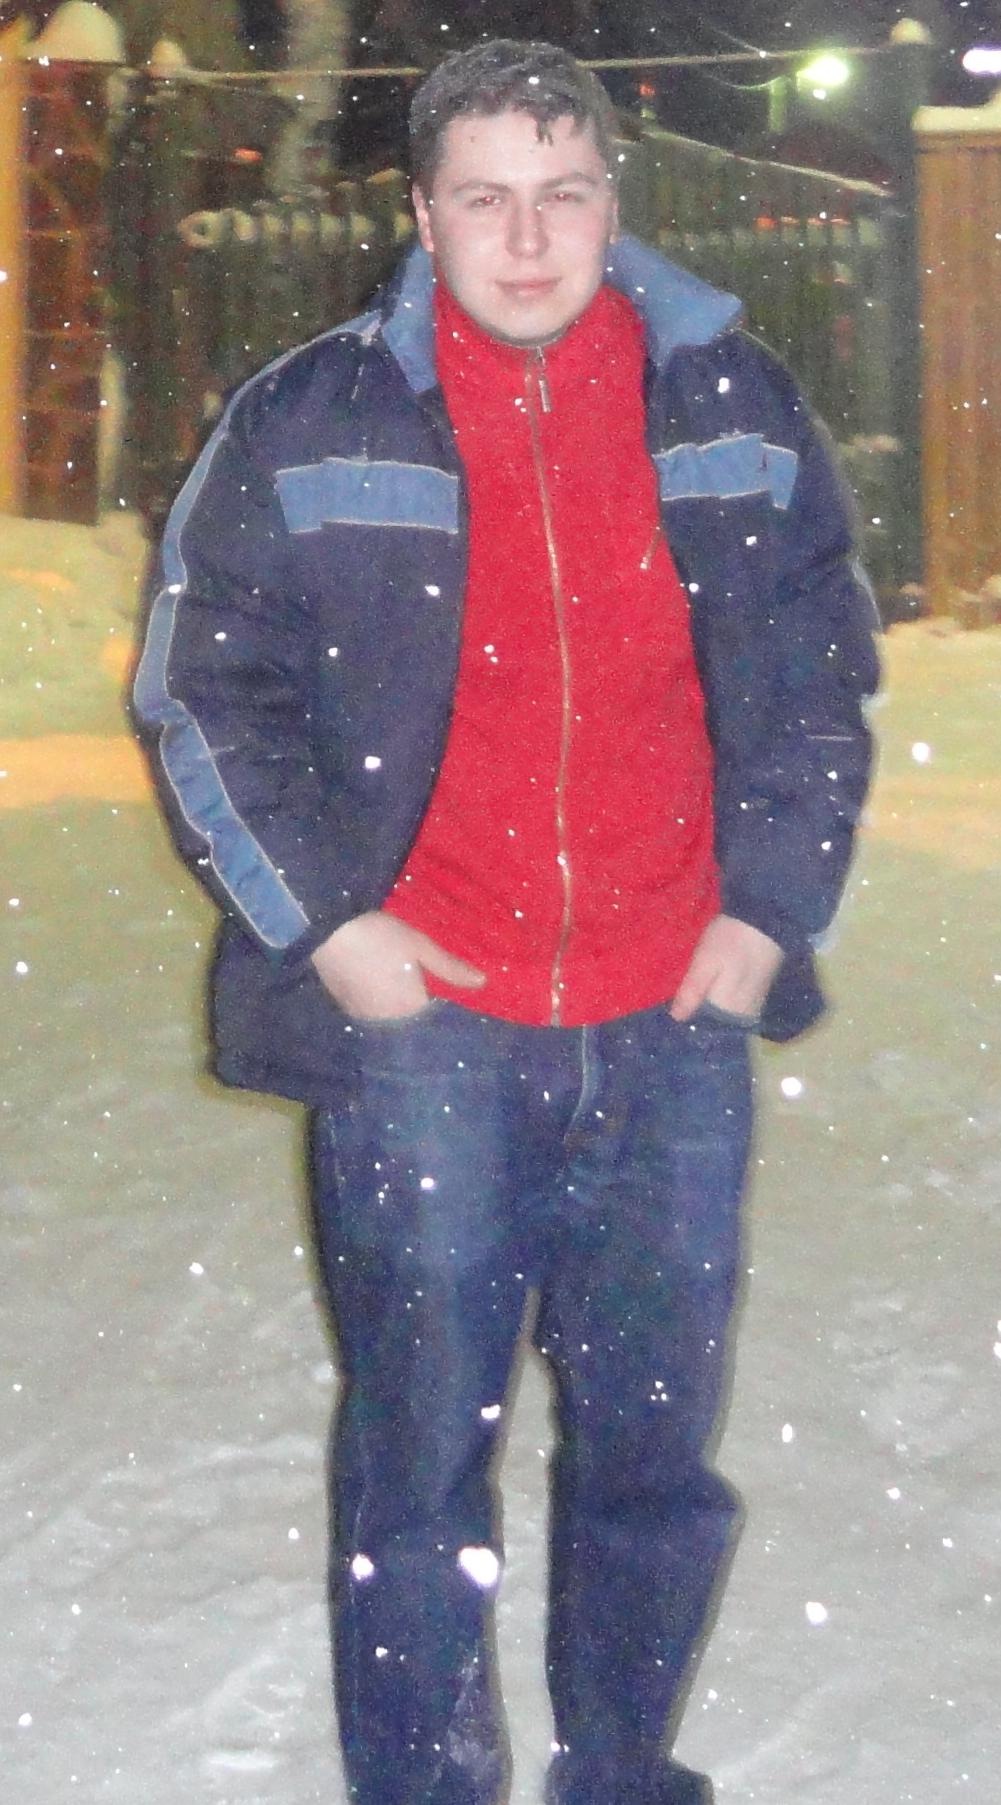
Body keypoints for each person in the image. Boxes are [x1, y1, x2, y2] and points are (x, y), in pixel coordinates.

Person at [133, 38, 879, 1805]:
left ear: (613, 203)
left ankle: (617, 1766)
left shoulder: (727, 400)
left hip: (669, 1023)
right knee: (416, 1468)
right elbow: (200, 691)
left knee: (651, 1460)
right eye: (484, 200)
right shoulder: (312, 415)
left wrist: (766, 909)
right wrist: (331, 926)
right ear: (422, 214)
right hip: (430, 1035)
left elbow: (816, 679)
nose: (527, 241)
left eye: (561, 196)